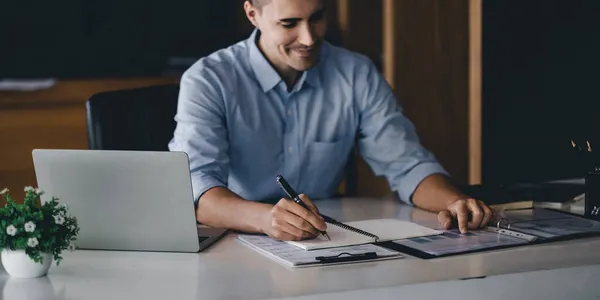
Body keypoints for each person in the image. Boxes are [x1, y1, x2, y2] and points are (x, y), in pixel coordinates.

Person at [168, 0, 493, 241]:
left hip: (324, 238)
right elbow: (196, 188)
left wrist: (454, 201)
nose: (309, 39)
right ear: (253, 14)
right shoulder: (208, 79)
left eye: (318, 17)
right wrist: (266, 219)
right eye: (290, 23)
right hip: (236, 236)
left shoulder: (357, 73)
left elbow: (407, 165)